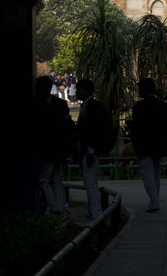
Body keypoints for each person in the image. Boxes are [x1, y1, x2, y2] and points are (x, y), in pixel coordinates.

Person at [129, 77, 167, 212]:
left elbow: (136, 128)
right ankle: (155, 199)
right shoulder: (163, 105)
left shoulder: (139, 107)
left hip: (144, 146)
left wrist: (135, 144)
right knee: (155, 173)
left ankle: (154, 200)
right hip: (159, 145)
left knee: (147, 174)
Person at [32, 75, 75, 219]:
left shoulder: (37, 105)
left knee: (44, 180)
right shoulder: (60, 104)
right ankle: (62, 206)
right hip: (57, 148)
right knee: (55, 178)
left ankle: (54, 207)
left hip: (46, 149)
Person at [75, 78, 115, 222]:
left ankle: (96, 214)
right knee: (90, 182)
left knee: (90, 183)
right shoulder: (89, 105)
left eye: (79, 89)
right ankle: (92, 212)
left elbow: (92, 130)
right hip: (89, 150)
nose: (76, 92)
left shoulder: (91, 106)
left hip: (90, 152)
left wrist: (91, 150)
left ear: (86, 90)